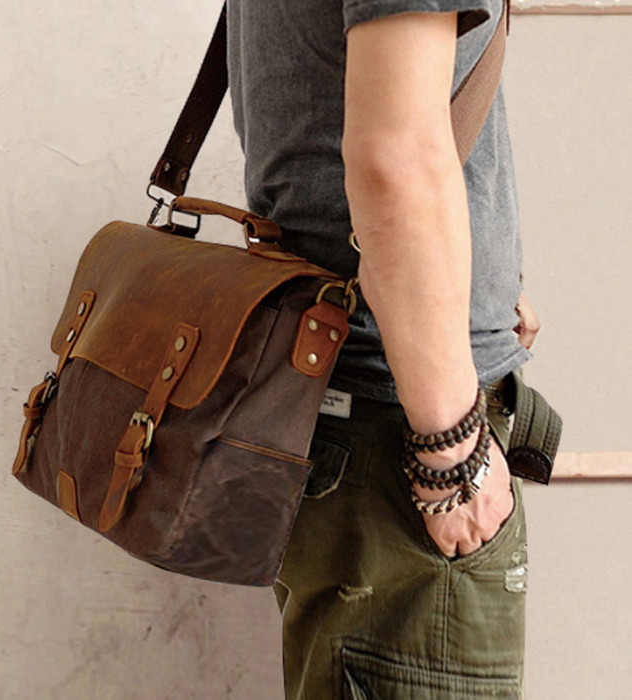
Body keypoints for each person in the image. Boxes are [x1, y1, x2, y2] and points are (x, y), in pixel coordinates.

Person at [227, 0, 540, 696]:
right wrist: (451, 451)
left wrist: (489, 281)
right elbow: (394, 162)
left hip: (345, 396)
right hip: (403, 429)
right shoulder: (435, 448)